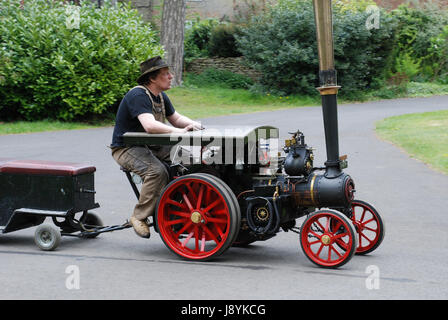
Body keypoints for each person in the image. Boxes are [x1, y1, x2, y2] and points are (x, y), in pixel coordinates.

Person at [110, 56, 203, 239]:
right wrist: (179, 132)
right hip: (126, 148)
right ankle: (139, 217)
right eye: (166, 73)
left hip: (152, 146)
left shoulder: (161, 96)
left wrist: (194, 124)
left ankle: (177, 210)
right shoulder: (137, 95)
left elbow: (175, 118)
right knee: (156, 171)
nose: (171, 76)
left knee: (192, 161)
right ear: (152, 78)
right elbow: (150, 126)